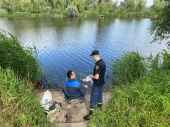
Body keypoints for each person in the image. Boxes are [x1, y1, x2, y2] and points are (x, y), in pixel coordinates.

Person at [83, 50, 106, 120]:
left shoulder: (97, 65)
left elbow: (96, 77)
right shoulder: (103, 62)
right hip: (101, 83)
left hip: (97, 84)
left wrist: (91, 77)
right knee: (99, 96)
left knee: (93, 99)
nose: (93, 58)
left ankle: (91, 114)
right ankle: (100, 109)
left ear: (95, 56)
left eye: (93, 56)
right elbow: (100, 75)